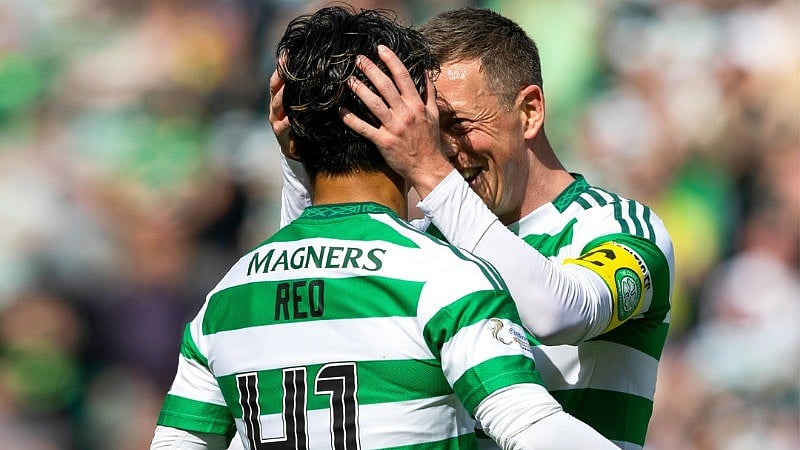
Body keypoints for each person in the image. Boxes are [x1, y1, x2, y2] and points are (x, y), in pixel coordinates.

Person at [152, 6, 616, 449]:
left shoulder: (224, 302)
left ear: (292, 134)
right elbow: (532, 428)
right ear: (407, 128)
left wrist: (297, 160)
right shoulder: (445, 280)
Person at [273, 7, 674, 450]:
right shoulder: (429, 240)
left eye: (457, 125)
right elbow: (327, 315)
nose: (439, 149)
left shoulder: (615, 227)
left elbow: (558, 314)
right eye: (425, 129)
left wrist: (428, 172)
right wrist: (301, 163)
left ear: (529, 112)